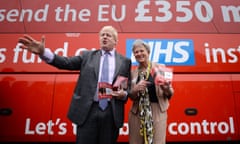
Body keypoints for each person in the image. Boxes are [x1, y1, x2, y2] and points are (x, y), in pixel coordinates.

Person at [18, 25, 132, 144]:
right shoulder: (87, 56)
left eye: (108, 35)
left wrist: (123, 94)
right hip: (88, 111)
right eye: (102, 35)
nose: (104, 37)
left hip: (111, 113)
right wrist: (43, 52)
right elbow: (65, 63)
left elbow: (125, 85)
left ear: (115, 41)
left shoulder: (124, 61)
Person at [128, 39, 174, 144]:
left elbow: (170, 93)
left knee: (157, 142)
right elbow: (130, 96)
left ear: (148, 52)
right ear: (134, 55)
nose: (139, 54)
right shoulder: (133, 74)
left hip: (157, 111)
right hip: (137, 113)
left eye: (141, 51)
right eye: (136, 52)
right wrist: (135, 89)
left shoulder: (160, 68)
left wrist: (166, 88)